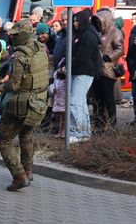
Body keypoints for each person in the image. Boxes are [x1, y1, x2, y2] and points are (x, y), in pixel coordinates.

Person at [0, 19, 49, 191]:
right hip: (40, 101)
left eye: (14, 34)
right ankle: (28, 172)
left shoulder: (21, 55)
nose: (11, 37)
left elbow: (14, 85)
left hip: (24, 103)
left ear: (23, 34)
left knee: (4, 138)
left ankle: (19, 176)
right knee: (26, 135)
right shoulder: (40, 48)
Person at [70, 9, 100, 142]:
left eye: (76, 21)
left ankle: (79, 132)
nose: (75, 23)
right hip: (80, 71)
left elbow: (82, 56)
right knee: (80, 103)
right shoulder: (81, 33)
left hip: (84, 72)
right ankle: (84, 132)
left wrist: (68, 66)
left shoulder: (88, 35)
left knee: (75, 102)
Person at [91, 9, 124, 129]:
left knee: (109, 99)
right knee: (98, 100)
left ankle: (112, 124)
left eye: (100, 22)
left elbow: (120, 49)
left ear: (106, 21)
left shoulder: (116, 32)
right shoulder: (99, 33)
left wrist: (108, 57)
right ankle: (100, 124)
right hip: (97, 71)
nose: (98, 25)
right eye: (97, 23)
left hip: (108, 71)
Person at [49, 65, 67, 137]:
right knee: (62, 118)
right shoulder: (56, 80)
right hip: (58, 102)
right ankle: (60, 132)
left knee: (65, 118)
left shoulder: (66, 80)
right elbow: (52, 89)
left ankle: (63, 132)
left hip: (64, 103)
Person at [127, 11, 136, 126]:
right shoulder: (134, 30)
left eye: (134, 19)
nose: (132, 21)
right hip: (134, 68)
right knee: (135, 95)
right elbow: (132, 52)